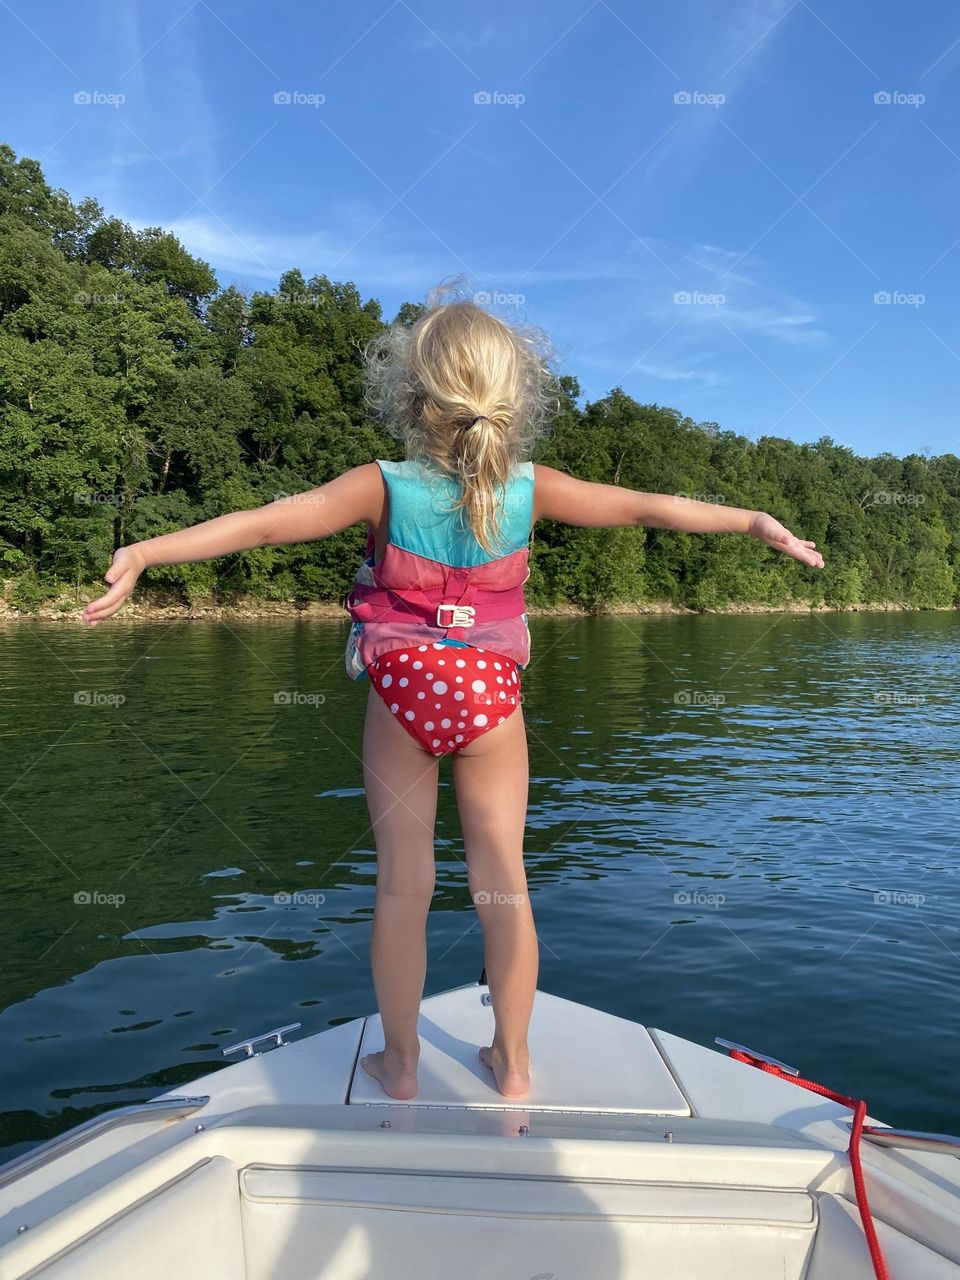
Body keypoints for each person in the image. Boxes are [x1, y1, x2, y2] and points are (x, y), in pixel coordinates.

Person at [82, 283, 824, 1101]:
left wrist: (148, 550)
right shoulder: (531, 490)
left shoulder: (381, 485)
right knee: (504, 883)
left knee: (404, 887)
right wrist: (755, 519)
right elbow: (649, 508)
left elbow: (265, 522)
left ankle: (399, 1068)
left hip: (402, 694)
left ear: (413, 393)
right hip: (491, 699)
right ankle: (511, 1063)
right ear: (510, 398)